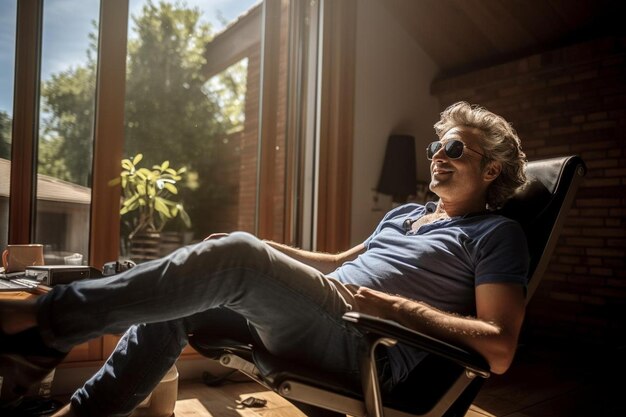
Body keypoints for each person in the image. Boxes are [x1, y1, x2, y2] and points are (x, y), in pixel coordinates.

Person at [0, 101, 529, 417]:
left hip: (368, 341)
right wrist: (263, 246)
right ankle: (80, 412)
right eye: (438, 148)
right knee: (203, 279)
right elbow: (333, 262)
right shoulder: (406, 216)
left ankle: (41, 322)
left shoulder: (495, 233)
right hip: (321, 312)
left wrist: (395, 308)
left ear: (491, 172)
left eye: (455, 150)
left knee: (236, 258)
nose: (439, 155)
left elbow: (500, 347)